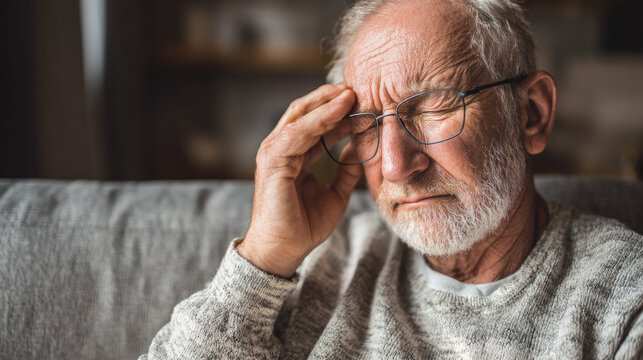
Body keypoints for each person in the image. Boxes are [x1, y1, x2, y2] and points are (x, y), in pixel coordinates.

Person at [140, 0, 643, 358]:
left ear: (530, 114)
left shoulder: (624, 297)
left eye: (433, 107)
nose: (396, 166)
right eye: (365, 124)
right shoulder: (317, 267)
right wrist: (262, 260)